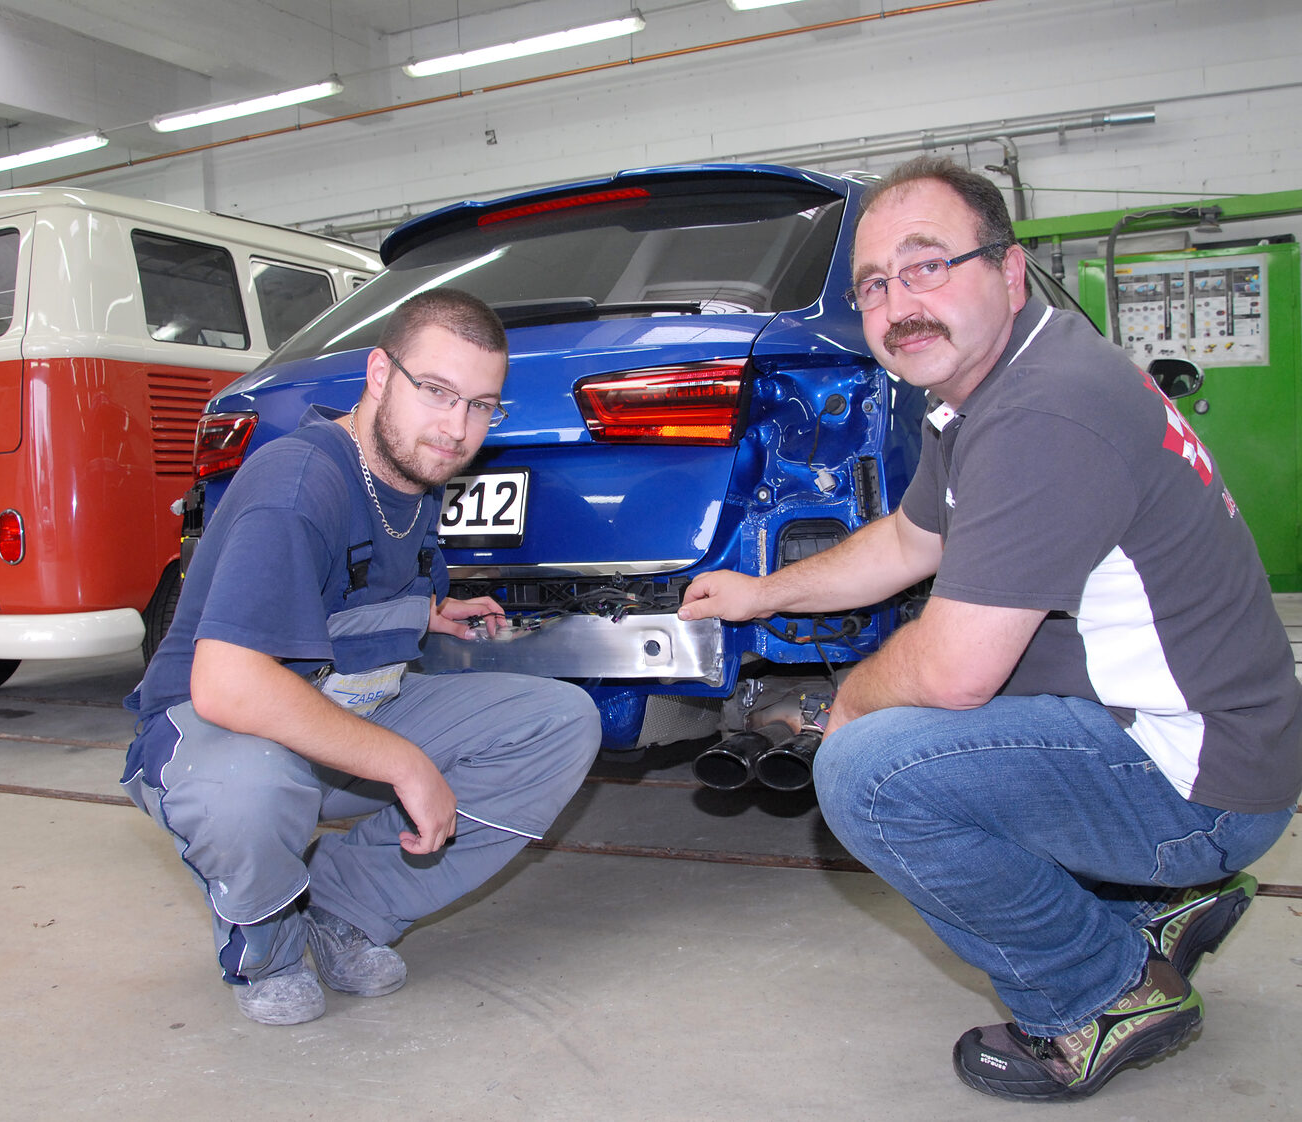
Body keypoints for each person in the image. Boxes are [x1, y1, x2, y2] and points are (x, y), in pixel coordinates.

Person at [679, 156, 1301, 1101]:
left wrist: (847, 703)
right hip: (1222, 744)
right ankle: (1154, 904)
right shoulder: (998, 386)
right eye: (874, 285)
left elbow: (959, 669)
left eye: (927, 265)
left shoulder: (1043, 410)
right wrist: (763, 594)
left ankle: (1102, 992)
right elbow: (908, 537)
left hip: (1204, 782)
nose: (897, 305)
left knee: (872, 773)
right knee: (954, 705)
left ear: (1009, 273)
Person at [122, 288, 600, 1027]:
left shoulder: (414, 474)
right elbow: (227, 685)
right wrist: (406, 765)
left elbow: (353, 588)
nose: (457, 428)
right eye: (437, 392)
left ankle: (344, 907)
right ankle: (269, 945)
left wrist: (434, 613)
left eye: (482, 405)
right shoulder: (300, 482)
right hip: (216, 734)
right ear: (379, 373)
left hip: (345, 713)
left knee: (561, 722)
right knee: (249, 788)